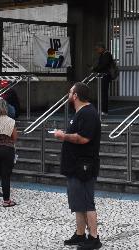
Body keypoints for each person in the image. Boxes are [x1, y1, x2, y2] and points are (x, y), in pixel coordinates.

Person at [54, 83, 102, 249]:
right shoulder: (79, 113)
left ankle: (94, 238)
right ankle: (80, 234)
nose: (68, 94)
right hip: (75, 165)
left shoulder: (88, 113)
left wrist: (63, 136)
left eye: (70, 92)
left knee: (87, 202)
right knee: (77, 202)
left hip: (84, 165)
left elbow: (83, 138)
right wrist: (65, 134)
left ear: (75, 96)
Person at [91, 43, 115, 115]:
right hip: (103, 75)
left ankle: (104, 110)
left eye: (97, 49)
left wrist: (94, 69)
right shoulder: (103, 55)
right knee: (102, 93)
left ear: (102, 48)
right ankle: (102, 109)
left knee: (104, 93)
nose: (97, 51)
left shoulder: (107, 55)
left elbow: (103, 65)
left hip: (106, 75)